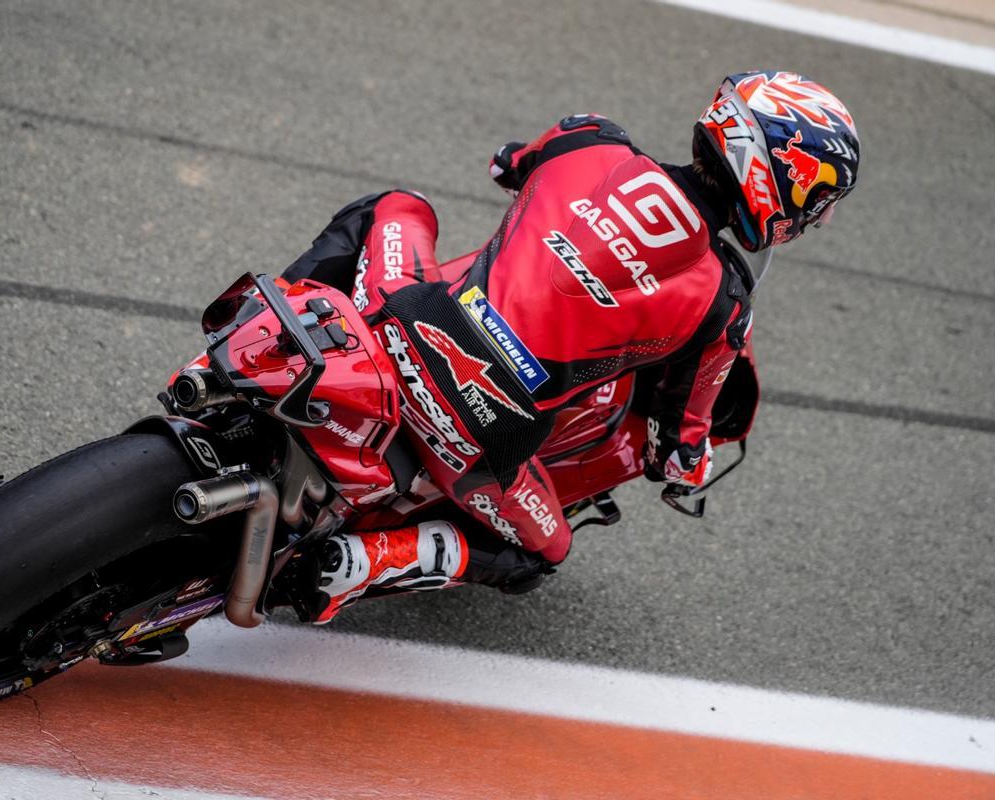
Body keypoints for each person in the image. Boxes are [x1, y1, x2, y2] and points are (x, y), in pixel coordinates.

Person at [282, 70, 861, 623]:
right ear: (781, 177)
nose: (820, 215)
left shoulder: (589, 136)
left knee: (400, 204)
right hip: (481, 442)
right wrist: (687, 466)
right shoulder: (724, 305)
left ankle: (279, 322)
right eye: (820, 193)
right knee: (545, 552)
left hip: (403, 324)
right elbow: (678, 442)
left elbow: (506, 163)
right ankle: (368, 563)